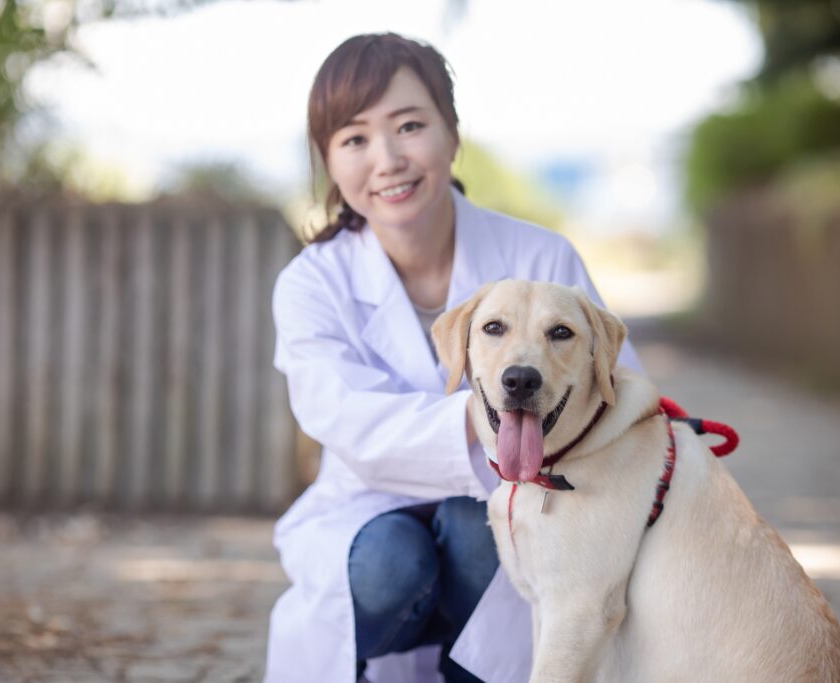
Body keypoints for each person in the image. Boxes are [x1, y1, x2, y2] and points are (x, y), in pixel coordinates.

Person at [264, 33, 643, 683]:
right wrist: (480, 412)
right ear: (328, 159)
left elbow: (619, 389)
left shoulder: (541, 259)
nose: (387, 159)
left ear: (453, 134)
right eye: (354, 139)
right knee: (391, 560)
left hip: (524, 506)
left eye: (409, 125)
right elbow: (344, 419)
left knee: (479, 528)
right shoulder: (311, 283)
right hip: (366, 509)